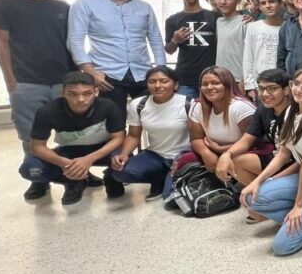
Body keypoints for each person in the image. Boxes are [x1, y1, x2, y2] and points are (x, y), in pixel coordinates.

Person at [0, 0, 75, 200]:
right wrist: (10, 81)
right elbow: (1, 43)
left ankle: (74, 176)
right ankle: (39, 178)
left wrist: (76, 79)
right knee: (31, 135)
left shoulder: (63, 8)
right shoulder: (4, 3)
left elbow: (71, 44)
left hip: (63, 81)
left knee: (71, 133)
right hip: (26, 82)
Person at [242, 67, 302, 255]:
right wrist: (257, 181)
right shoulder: (292, 109)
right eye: (296, 84)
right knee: (252, 197)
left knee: (282, 247)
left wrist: (299, 206)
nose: (299, 89)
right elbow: (283, 154)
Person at [67, 0, 165, 111]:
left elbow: (156, 40)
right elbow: (75, 41)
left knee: (152, 118)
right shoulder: (85, 3)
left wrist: (161, 70)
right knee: (114, 121)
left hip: (143, 74)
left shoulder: (144, 7)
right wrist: (91, 72)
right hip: (106, 77)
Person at [19, 71, 126, 206]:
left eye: (87, 93)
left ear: (96, 92)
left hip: (101, 149)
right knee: (30, 168)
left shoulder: (108, 106)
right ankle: (73, 180)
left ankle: (111, 177)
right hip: (68, 152)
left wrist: (89, 159)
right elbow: (37, 146)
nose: (80, 99)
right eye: (73, 94)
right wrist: (63, 163)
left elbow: (118, 138)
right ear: (63, 93)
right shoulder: (47, 111)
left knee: (126, 161)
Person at [109, 66, 192, 199]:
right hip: (156, 155)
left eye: (164, 81)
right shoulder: (139, 104)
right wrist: (124, 154)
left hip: (182, 156)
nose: (157, 85)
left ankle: (170, 179)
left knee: (169, 195)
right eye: (152, 82)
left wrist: (187, 157)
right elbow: (133, 135)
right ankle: (158, 178)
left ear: (175, 85)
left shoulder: (189, 104)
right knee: (121, 172)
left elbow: (198, 137)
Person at [215, 68, 289, 187]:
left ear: (286, 90)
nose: (265, 94)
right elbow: (247, 139)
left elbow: (301, 159)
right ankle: (260, 193)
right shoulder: (263, 109)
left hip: (294, 164)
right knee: (235, 161)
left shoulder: (296, 111)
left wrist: (264, 180)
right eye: (261, 89)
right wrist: (227, 154)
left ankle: (266, 192)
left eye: (272, 88)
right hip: (276, 158)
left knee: (261, 194)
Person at [185, 66, 255, 175]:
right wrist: (206, 153)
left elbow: (253, 143)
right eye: (205, 84)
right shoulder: (198, 106)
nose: (209, 87)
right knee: (183, 161)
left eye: (216, 83)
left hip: (243, 153)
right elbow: (196, 138)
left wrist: (221, 149)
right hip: (213, 151)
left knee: (238, 161)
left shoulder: (241, 107)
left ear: (228, 85)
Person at [164, 0, 218, 99]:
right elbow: (169, 50)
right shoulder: (172, 20)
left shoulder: (214, 17)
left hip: (212, 77)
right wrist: (175, 40)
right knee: (184, 110)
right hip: (185, 79)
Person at [242, 0, 284, 100]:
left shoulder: (288, 27)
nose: (268, 5)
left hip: (282, 84)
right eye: (263, 3)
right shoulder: (253, 27)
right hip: (260, 86)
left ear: (280, 3)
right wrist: (250, 86)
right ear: (259, 6)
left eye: (271, 1)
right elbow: (248, 57)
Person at [213, 0, 246, 87]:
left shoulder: (245, 22)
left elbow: (252, 53)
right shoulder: (218, 21)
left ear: (238, 1)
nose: (223, 2)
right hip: (220, 77)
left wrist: (245, 79)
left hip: (239, 79)